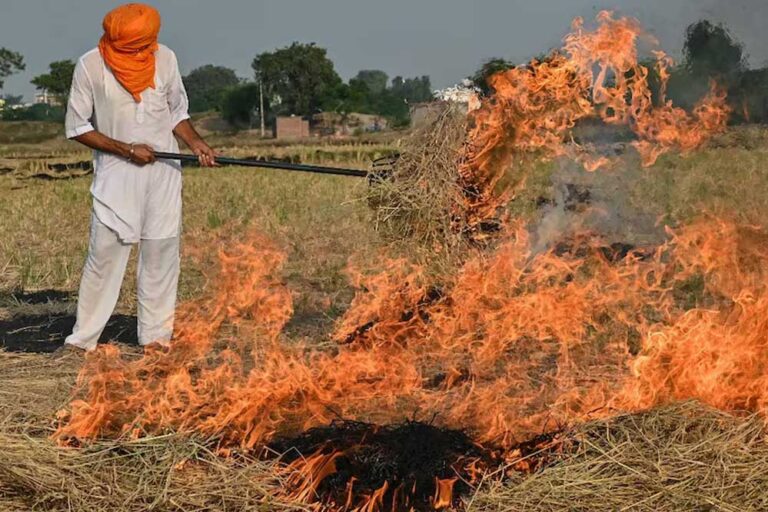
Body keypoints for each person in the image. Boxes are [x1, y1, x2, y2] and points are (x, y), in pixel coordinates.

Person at [58, 3, 215, 355]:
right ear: (117, 40)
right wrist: (127, 149)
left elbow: (176, 111)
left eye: (149, 44)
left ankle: (156, 339)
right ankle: (82, 341)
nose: (145, 51)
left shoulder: (166, 58)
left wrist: (196, 143)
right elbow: (78, 127)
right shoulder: (91, 66)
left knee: (161, 254)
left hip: (163, 175)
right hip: (117, 176)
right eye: (137, 46)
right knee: (105, 256)